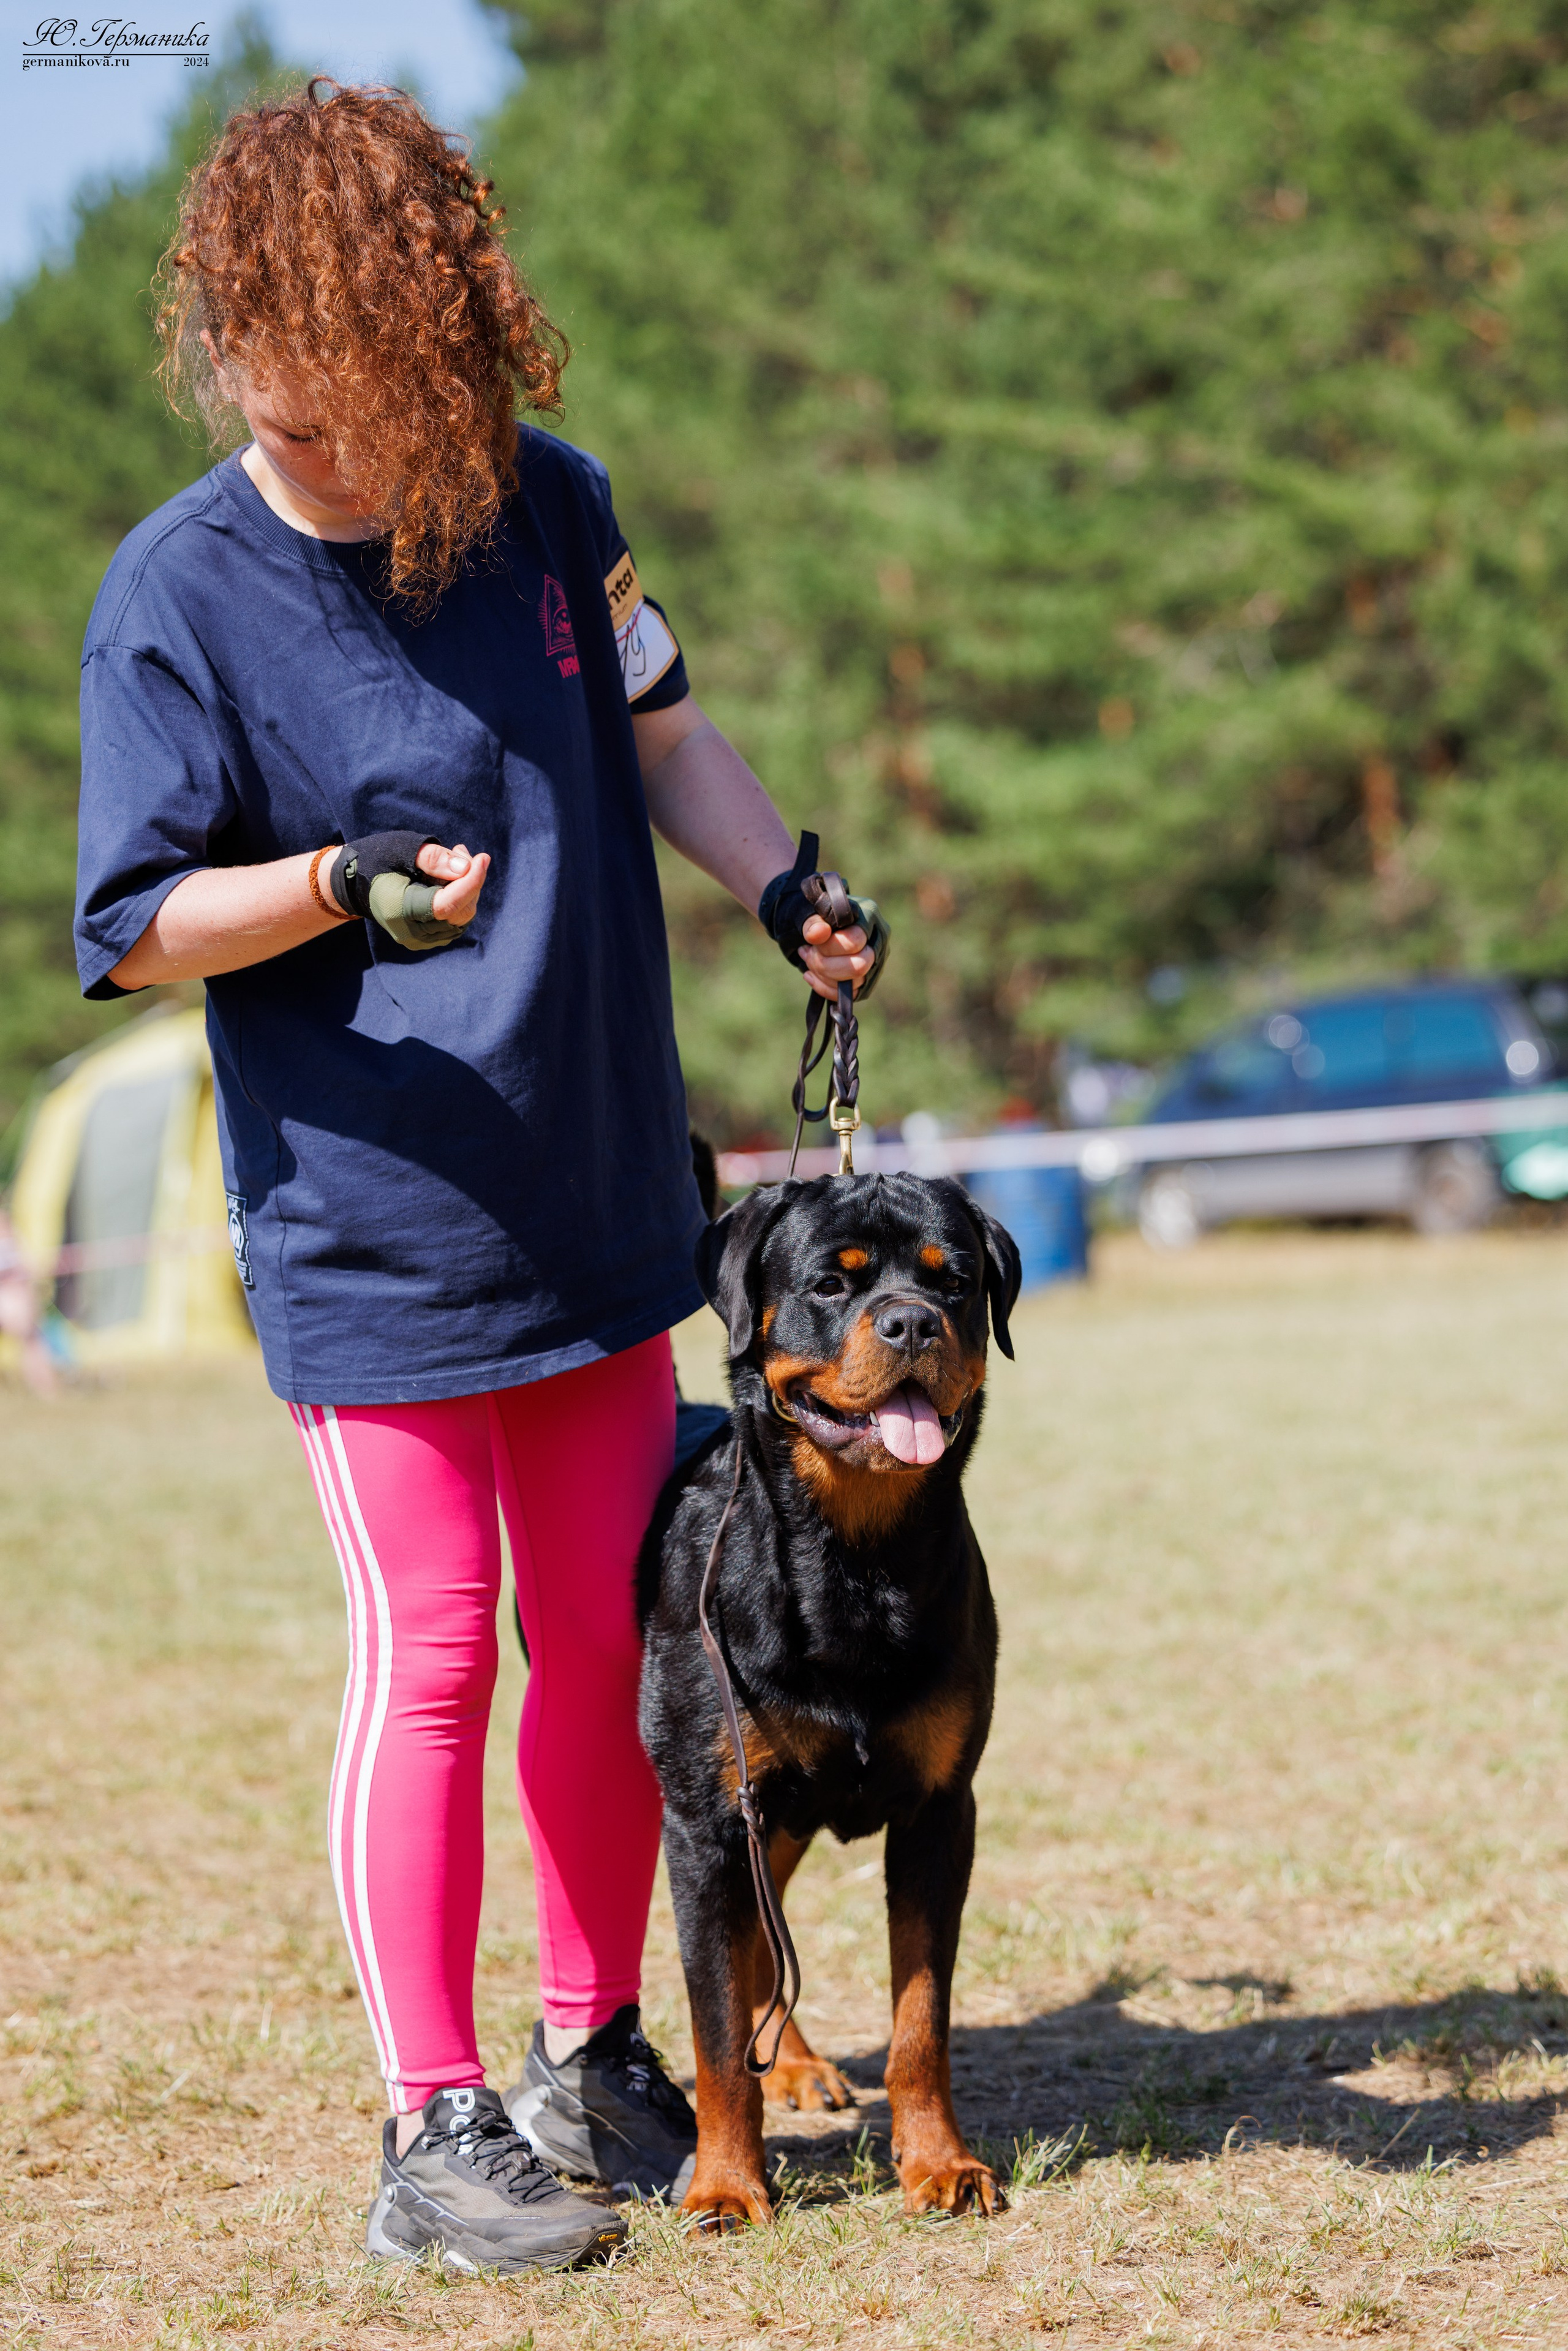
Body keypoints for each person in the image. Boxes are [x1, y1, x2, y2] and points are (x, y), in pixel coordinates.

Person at [73, 81, 884, 2274]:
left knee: (611, 1643)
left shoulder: (548, 504)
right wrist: (331, 885)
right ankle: (430, 2133)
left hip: (603, 1190)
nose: (340, 451)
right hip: (376, 1227)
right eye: (294, 410)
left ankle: (586, 2047)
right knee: (431, 1654)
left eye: (378, 401)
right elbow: (132, 925)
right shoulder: (179, 592)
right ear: (231, 347)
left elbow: (665, 737)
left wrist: (781, 881)